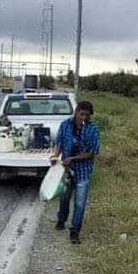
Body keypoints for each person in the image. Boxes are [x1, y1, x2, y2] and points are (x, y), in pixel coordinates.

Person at [51, 100, 101, 244]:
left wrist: (74, 158)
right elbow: (59, 143)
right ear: (76, 112)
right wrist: (55, 156)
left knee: (80, 203)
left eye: (87, 115)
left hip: (83, 170)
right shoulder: (65, 125)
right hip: (67, 170)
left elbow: (92, 152)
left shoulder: (93, 129)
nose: (84, 118)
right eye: (82, 114)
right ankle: (61, 219)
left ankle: (75, 230)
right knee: (64, 197)